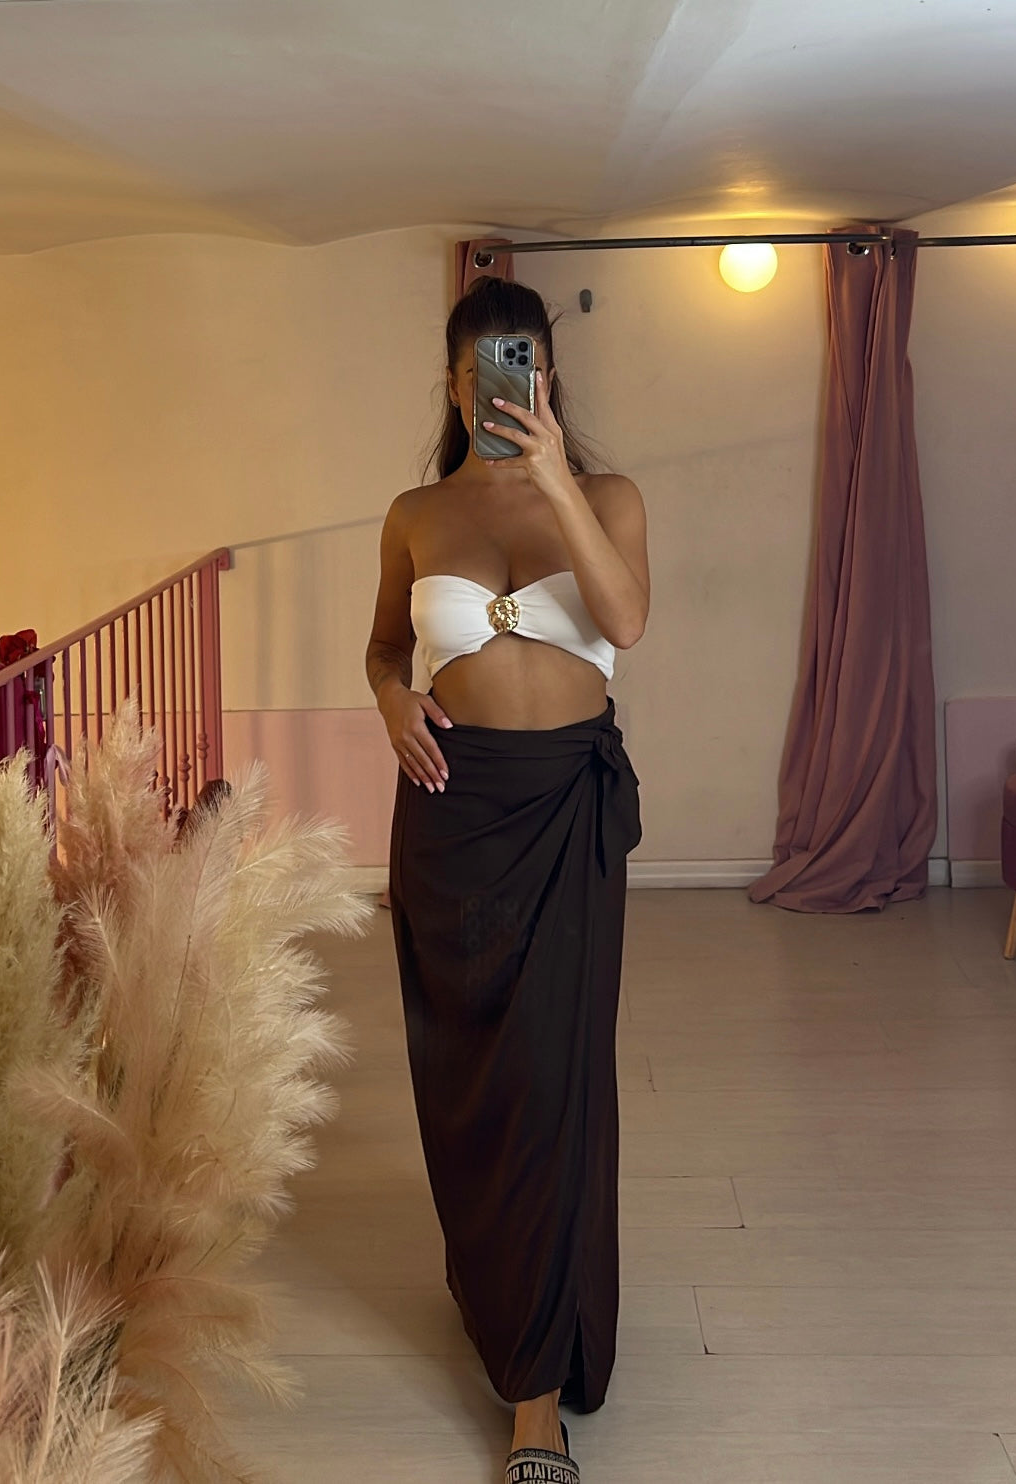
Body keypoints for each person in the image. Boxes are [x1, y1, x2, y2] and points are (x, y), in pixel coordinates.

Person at [365, 275, 647, 1482]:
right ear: (452, 383)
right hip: (451, 814)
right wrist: (390, 700)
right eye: (482, 369)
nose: (502, 387)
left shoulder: (610, 497)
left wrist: (554, 482)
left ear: (549, 375)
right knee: (470, 1078)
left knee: (553, 1076)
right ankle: (496, 1285)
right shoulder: (415, 513)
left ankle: (537, 1400)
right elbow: (386, 646)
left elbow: (626, 621)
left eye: (523, 362)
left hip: (566, 808)